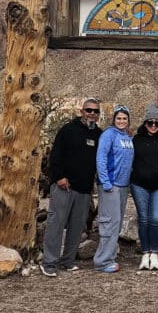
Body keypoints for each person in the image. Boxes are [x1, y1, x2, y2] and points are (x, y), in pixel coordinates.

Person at [41, 99, 103, 277]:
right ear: (82, 111)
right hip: (64, 186)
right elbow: (56, 155)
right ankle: (49, 262)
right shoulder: (68, 130)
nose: (92, 113)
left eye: (95, 111)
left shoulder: (99, 134)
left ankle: (68, 260)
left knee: (77, 226)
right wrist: (59, 176)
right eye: (89, 110)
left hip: (84, 189)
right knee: (56, 223)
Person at [130, 103, 158, 271]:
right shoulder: (136, 139)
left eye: (157, 122)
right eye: (150, 122)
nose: (153, 125)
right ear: (145, 122)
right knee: (143, 218)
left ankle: (154, 253)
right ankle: (145, 253)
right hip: (139, 184)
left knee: (155, 218)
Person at [93, 104, 134, 273]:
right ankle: (102, 261)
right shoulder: (108, 134)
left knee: (116, 223)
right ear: (114, 119)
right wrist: (106, 182)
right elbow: (101, 157)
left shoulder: (126, 136)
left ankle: (109, 256)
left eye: (125, 119)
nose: (122, 121)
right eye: (119, 118)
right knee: (109, 222)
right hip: (111, 185)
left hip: (123, 186)